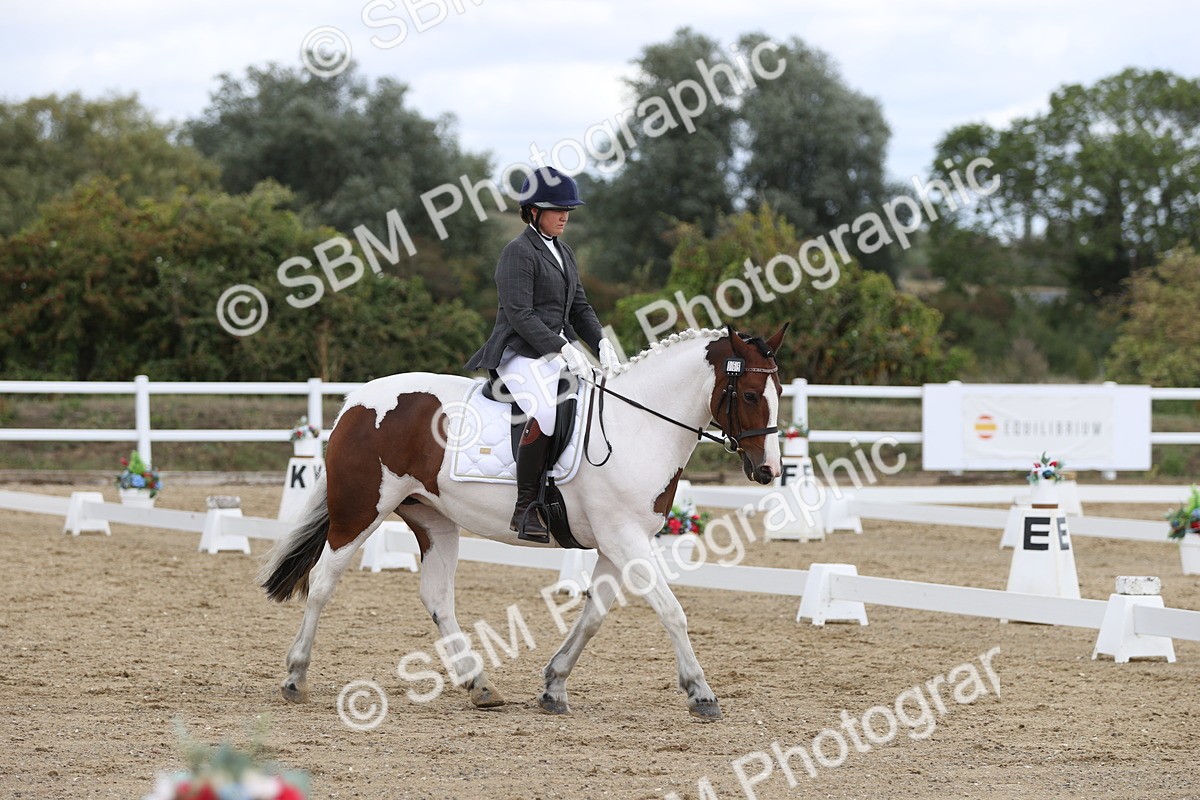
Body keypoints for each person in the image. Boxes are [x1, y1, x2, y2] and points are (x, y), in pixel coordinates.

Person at [466, 166, 619, 542]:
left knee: (593, 400)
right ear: (533, 210)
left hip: (555, 350)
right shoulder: (518, 252)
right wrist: (562, 348)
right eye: (556, 208)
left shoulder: (564, 251)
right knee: (546, 411)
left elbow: (579, 308)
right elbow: (520, 314)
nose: (565, 215)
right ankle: (526, 506)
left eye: (569, 209)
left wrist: (600, 342)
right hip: (517, 351)